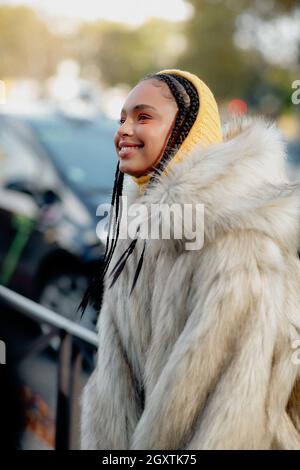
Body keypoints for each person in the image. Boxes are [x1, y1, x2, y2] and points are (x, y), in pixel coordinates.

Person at [80, 69, 300, 450]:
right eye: (122, 118)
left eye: (143, 117)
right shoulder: (138, 232)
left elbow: (230, 418)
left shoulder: (236, 240)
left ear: (188, 131)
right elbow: (118, 387)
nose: (124, 130)